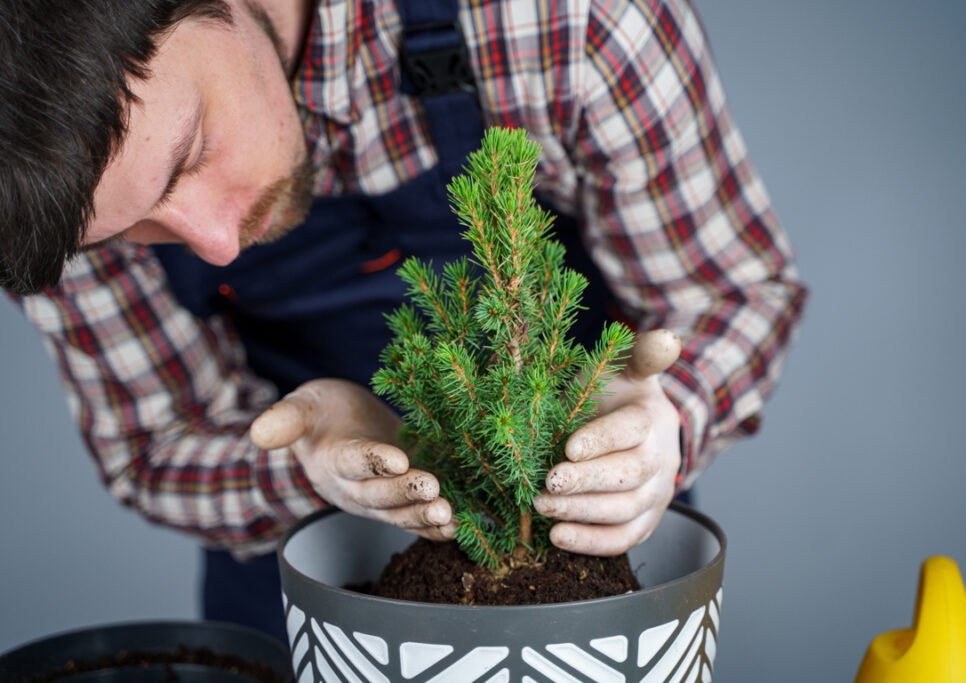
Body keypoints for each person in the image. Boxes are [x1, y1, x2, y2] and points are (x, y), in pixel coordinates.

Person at [1, 0, 807, 643]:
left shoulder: (567, 20)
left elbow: (732, 292)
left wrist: (670, 414)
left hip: (585, 551)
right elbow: (150, 443)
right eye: (133, 227)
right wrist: (305, 460)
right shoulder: (38, 203)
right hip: (306, 584)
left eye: (190, 151)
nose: (213, 239)